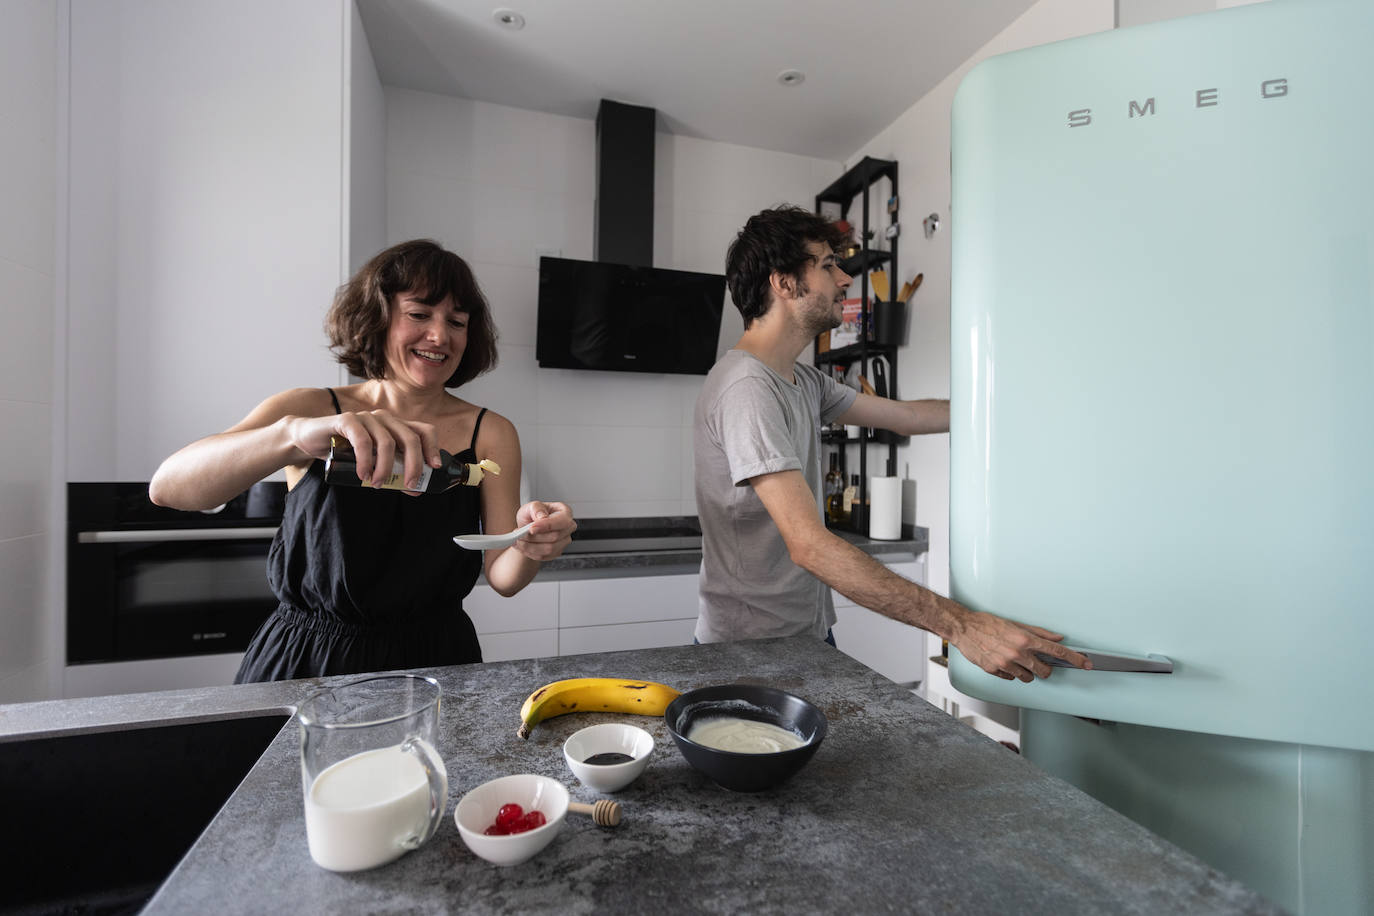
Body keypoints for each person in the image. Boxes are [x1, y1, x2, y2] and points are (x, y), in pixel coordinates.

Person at [149, 239, 576, 683]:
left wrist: (530, 543)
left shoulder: (491, 432)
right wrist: (291, 435)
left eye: (457, 321)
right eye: (419, 314)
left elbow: (503, 575)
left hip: (437, 661)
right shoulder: (312, 408)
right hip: (307, 660)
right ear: (379, 316)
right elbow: (168, 488)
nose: (440, 335)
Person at [693, 206, 1089, 682]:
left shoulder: (801, 380)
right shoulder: (747, 387)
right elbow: (810, 546)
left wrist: (1014, 410)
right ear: (783, 283)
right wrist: (963, 626)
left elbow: (905, 416)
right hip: (752, 651)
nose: (844, 278)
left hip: (805, 634)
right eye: (826, 265)